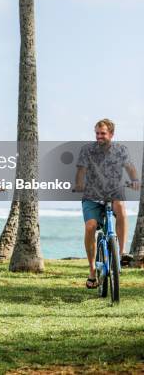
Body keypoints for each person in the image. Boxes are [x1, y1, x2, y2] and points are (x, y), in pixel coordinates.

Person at [75, 118, 140, 289]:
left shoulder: (121, 150)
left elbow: (130, 167)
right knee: (90, 226)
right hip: (92, 195)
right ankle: (91, 271)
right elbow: (81, 170)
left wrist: (135, 180)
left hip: (114, 192)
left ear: (111, 134)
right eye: (97, 133)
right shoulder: (87, 150)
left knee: (121, 208)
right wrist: (79, 183)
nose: (99, 136)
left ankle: (121, 253)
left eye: (102, 133)